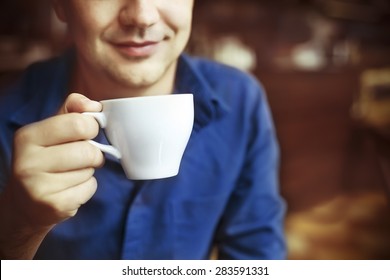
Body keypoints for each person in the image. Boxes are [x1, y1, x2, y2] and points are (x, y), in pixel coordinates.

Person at [0, 0, 286, 259]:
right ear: (61, 5)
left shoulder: (240, 100)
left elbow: (257, 260)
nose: (142, 17)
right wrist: (20, 228)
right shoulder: (6, 116)